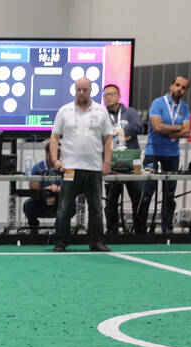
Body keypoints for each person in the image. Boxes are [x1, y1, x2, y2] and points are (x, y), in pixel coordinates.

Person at [50, 77, 113, 252]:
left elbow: (108, 139)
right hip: (70, 167)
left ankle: (96, 241)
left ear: (91, 90)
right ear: (74, 90)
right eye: (78, 89)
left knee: (96, 209)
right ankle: (61, 242)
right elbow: (54, 137)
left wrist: (107, 162)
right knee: (64, 208)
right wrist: (56, 160)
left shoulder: (101, 111)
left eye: (85, 89)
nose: (81, 93)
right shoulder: (64, 111)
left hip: (93, 168)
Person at [135, 75, 190, 234]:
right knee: (147, 192)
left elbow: (187, 131)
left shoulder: (184, 108)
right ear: (171, 85)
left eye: (183, 87)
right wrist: (177, 128)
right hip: (153, 151)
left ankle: (167, 229)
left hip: (172, 154)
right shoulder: (158, 103)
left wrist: (170, 131)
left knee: (169, 194)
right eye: (177, 85)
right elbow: (157, 127)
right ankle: (141, 230)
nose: (179, 89)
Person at [101, 84, 143, 234]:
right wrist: (120, 135)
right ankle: (112, 230)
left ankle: (139, 230)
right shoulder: (102, 114)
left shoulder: (130, 112)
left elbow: (138, 127)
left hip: (131, 162)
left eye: (112, 94)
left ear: (119, 96)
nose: (109, 97)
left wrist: (120, 132)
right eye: (106, 95)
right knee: (111, 200)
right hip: (110, 163)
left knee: (137, 197)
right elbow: (99, 134)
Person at [22, 141, 60, 231]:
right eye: (56, 152)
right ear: (48, 153)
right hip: (42, 201)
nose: (58, 155)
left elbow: (70, 186)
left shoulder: (64, 167)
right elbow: (33, 189)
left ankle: (60, 226)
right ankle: (33, 227)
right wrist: (46, 189)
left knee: (72, 205)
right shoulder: (37, 167)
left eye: (59, 152)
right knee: (28, 205)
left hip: (59, 201)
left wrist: (59, 188)